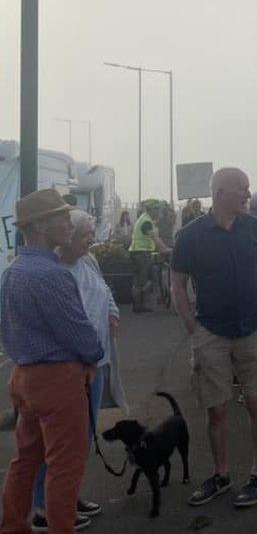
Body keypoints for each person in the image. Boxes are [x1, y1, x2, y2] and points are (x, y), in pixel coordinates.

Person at [172, 167, 257, 509]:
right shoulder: (190, 235)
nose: (249, 195)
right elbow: (177, 284)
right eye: (242, 189)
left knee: (256, 400)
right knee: (216, 409)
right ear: (220, 192)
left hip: (254, 327)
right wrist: (193, 325)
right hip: (211, 332)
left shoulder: (255, 228)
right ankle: (221, 474)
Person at [1, 189, 104, 534]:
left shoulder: (13, 271)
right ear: (42, 226)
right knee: (65, 467)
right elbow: (80, 335)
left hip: (24, 376)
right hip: (58, 380)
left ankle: (13, 526)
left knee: (25, 460)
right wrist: (94, 356)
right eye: (62, 217)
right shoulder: (53, 274)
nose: (68, 223)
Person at [28, 209, 128, 531]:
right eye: (85, 235)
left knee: (82, 437)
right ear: (67, 236)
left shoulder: (88, 261)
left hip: (94, 364)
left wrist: (112, 313)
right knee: (59, 443)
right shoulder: (55, 271)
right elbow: (67, 325)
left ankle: (68, 495)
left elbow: (104, 290)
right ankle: (45, 507)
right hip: (71, 369)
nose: (91, 240)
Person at [128, 199, 172, 313]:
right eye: (157, 209)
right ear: (151, 210)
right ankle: (137, 307)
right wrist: (165, 249)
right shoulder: (146, 222)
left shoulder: (146, 219)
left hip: (143, 252)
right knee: (140, 281)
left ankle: (142, 303)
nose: (159, 212)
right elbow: (155, 238)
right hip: (140, 253)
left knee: (151, 279)